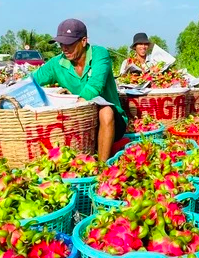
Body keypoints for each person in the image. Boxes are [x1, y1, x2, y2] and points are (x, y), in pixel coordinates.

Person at [30, 18, 128, 161]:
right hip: (79, 122)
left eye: (69, 43)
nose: (64, 48)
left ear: (83, 41)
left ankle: (102, 168)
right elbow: (31, 81)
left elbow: (95, 86)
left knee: (105, 110)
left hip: (111, 122)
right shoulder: (57, 63)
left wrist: (75, 106)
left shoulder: (99, 54)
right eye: (61, 44)